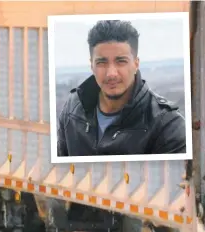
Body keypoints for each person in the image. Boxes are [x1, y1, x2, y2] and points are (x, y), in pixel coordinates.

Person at [57, 20, 186, 157]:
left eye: (121, 61)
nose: (111, 73)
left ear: (136, 64)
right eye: (102, 62)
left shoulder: (167, 126)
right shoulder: (72, 109)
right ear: (91, 65)